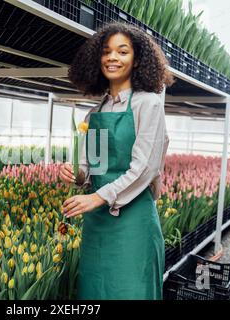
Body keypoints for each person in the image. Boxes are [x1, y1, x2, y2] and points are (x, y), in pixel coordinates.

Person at [59, 22, 175, 300]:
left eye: (122, 52)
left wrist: (98, 197)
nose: (113, 58)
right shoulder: (95, 112)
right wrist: (77, 174)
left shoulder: (148, 104)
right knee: (95, 288)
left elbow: (145, 167)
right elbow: (93, 166)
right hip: (97, 223)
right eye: (106, 51)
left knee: (130, 290)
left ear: (137, 60)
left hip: (133, 221)